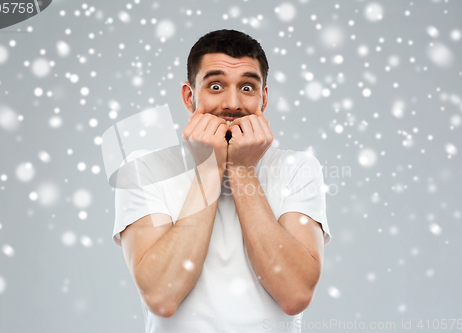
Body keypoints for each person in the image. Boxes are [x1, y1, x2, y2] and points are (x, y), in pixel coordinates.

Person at [112, 29, 332, 332]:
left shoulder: (298, 168)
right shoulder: (143, 168)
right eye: (216, 86)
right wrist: (210, 167)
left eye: (247, 87)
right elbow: (162, 295)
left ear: (263, 99)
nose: (232, 102)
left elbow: (294, 294)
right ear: (190, 97)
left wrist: (242, 170)